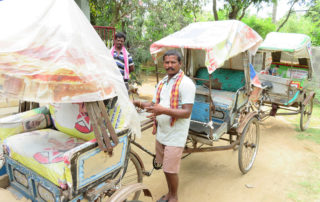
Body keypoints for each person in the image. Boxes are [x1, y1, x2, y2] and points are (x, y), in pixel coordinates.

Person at [133, 50, 196, 202]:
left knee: (170, 169)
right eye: (166, 62)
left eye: (173, 62)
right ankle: (169, 193)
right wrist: (138, 103)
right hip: (162, 132)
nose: (169, 65)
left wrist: (162, 110)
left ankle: (173, 196)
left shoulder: (186, 84)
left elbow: (187, 112)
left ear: (180, 64)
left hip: (176, 134)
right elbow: (154, 104)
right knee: (165, 168)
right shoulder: (163, 82)